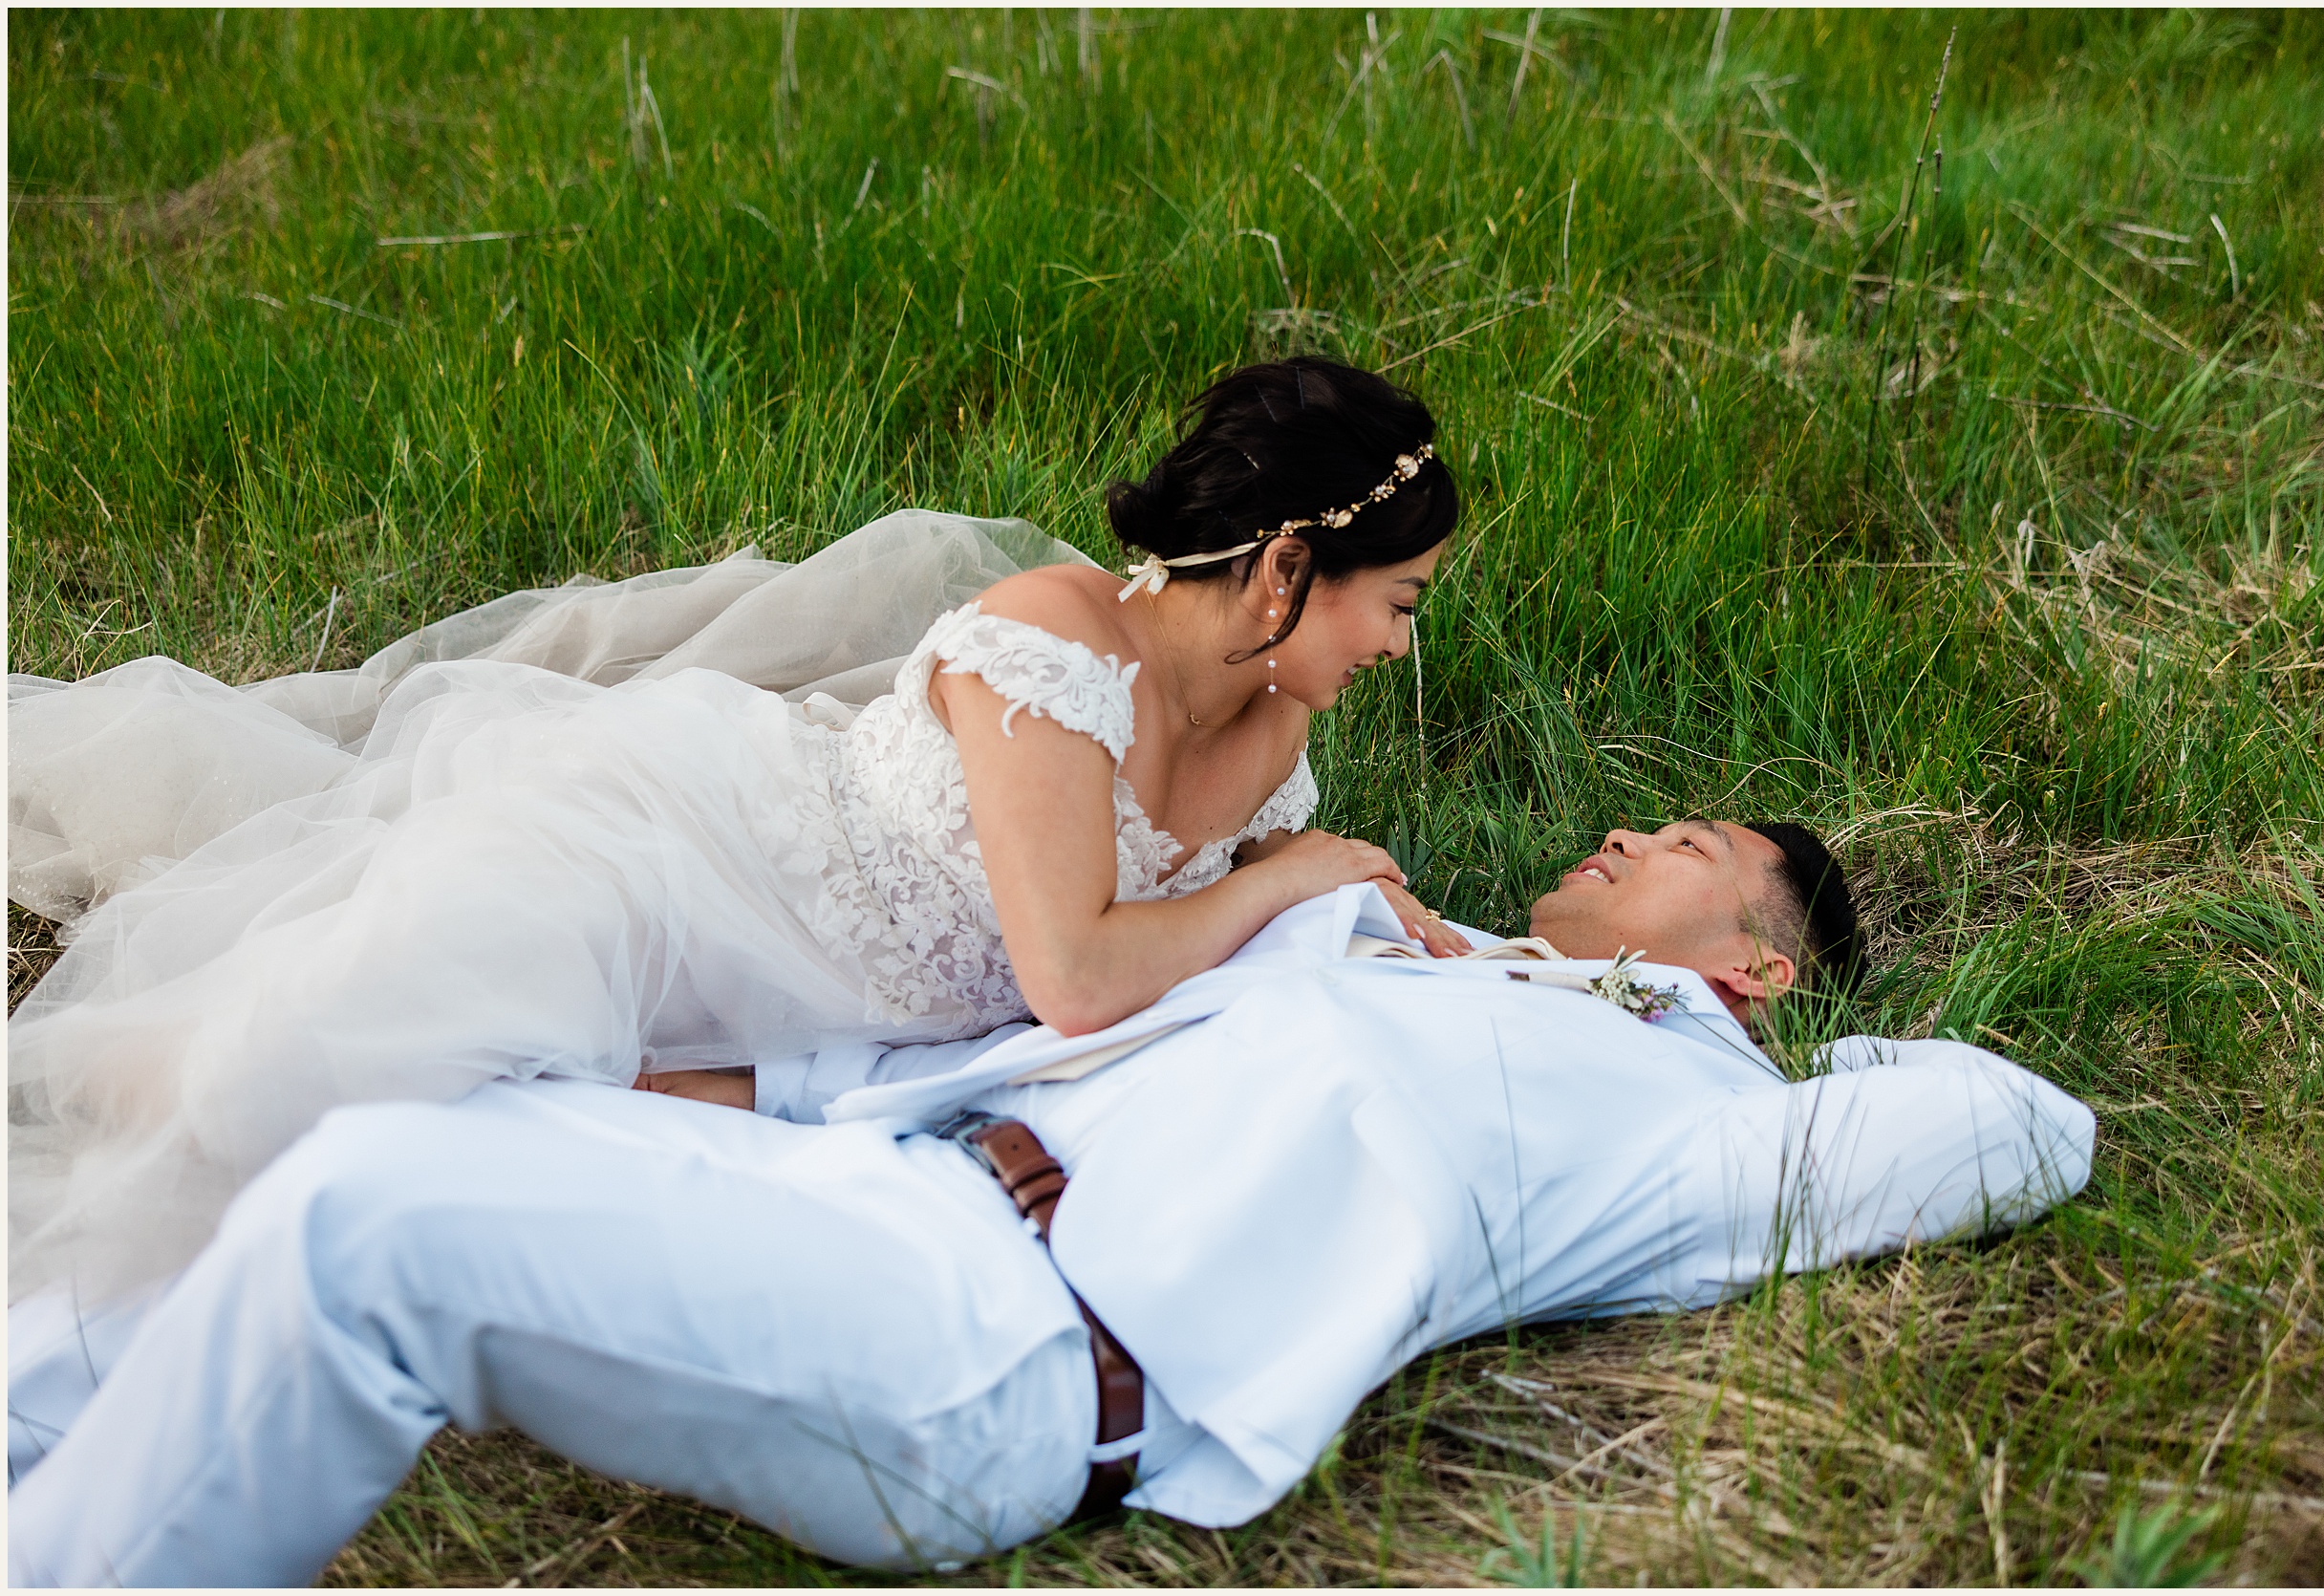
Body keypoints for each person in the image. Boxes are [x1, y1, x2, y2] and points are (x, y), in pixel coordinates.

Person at [6, 816, 2098, 1585]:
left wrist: (1736, 1034)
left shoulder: (1688, 1123)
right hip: (868, 1180)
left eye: (1685, 847)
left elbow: (2021, 1128)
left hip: (1002, 1352)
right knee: (287, 1166)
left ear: (1749, 964)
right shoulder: (1376, 938)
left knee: (369, 1223)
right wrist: (647, 1086)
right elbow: (1012, 1041)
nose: (1628, 825)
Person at [7, 358, 1464, 1309]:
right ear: (1286, 565)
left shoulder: (1273, 721)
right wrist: (1304, 872)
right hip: (678, 870)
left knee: (455, 1160)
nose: (1402, 644)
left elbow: (1242, 906)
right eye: (1395, 602)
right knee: (253, 1088)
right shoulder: (1054, 650)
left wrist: (1363, 899)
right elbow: (1077, 973)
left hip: (809, 1016)